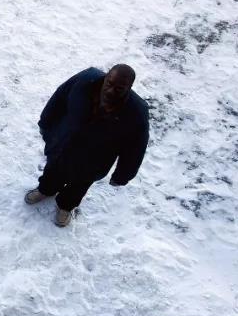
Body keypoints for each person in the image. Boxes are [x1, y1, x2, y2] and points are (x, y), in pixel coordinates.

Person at [26, 64, 149, 227]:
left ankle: (65, 206)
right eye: (109, 84)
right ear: (105, 77)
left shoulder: (137, 113)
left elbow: (135, 149)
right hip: (63, 146)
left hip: (92, 162)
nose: (111, 91)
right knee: (52, 172)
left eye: (119, 89)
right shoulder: (85, 81)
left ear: (129, 88)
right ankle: (46, 190)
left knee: (78, 186)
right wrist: (45, 123)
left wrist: (122, 176)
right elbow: (60, 96)